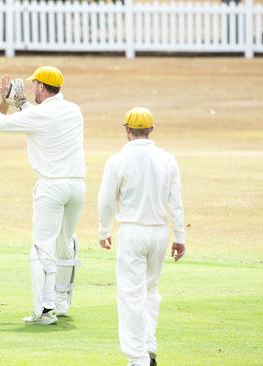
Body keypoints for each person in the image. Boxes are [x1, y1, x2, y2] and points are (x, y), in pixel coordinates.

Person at [0, 66, 86, 325]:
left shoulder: (42, 114)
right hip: (77, 186)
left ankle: (45, 310)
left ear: (40, 87)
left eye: (33, 86)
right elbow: (39, 120)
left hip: (52, 187)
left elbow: (1, 123)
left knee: (42, 247)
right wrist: (22, 103)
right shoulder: (73, 110)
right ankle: (61, 303)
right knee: (65, 242)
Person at [97, 107, 186, 366]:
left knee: (130, 295)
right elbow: (175, 202)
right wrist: (180, 236)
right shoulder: (167, 159)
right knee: (149, 291)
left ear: (127, 130)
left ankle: (137, 358)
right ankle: (148, 345)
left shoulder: (117, 160)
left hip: (132, 232)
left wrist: (104, 230)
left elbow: (106, 201)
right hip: (159, 233)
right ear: (151, 129)